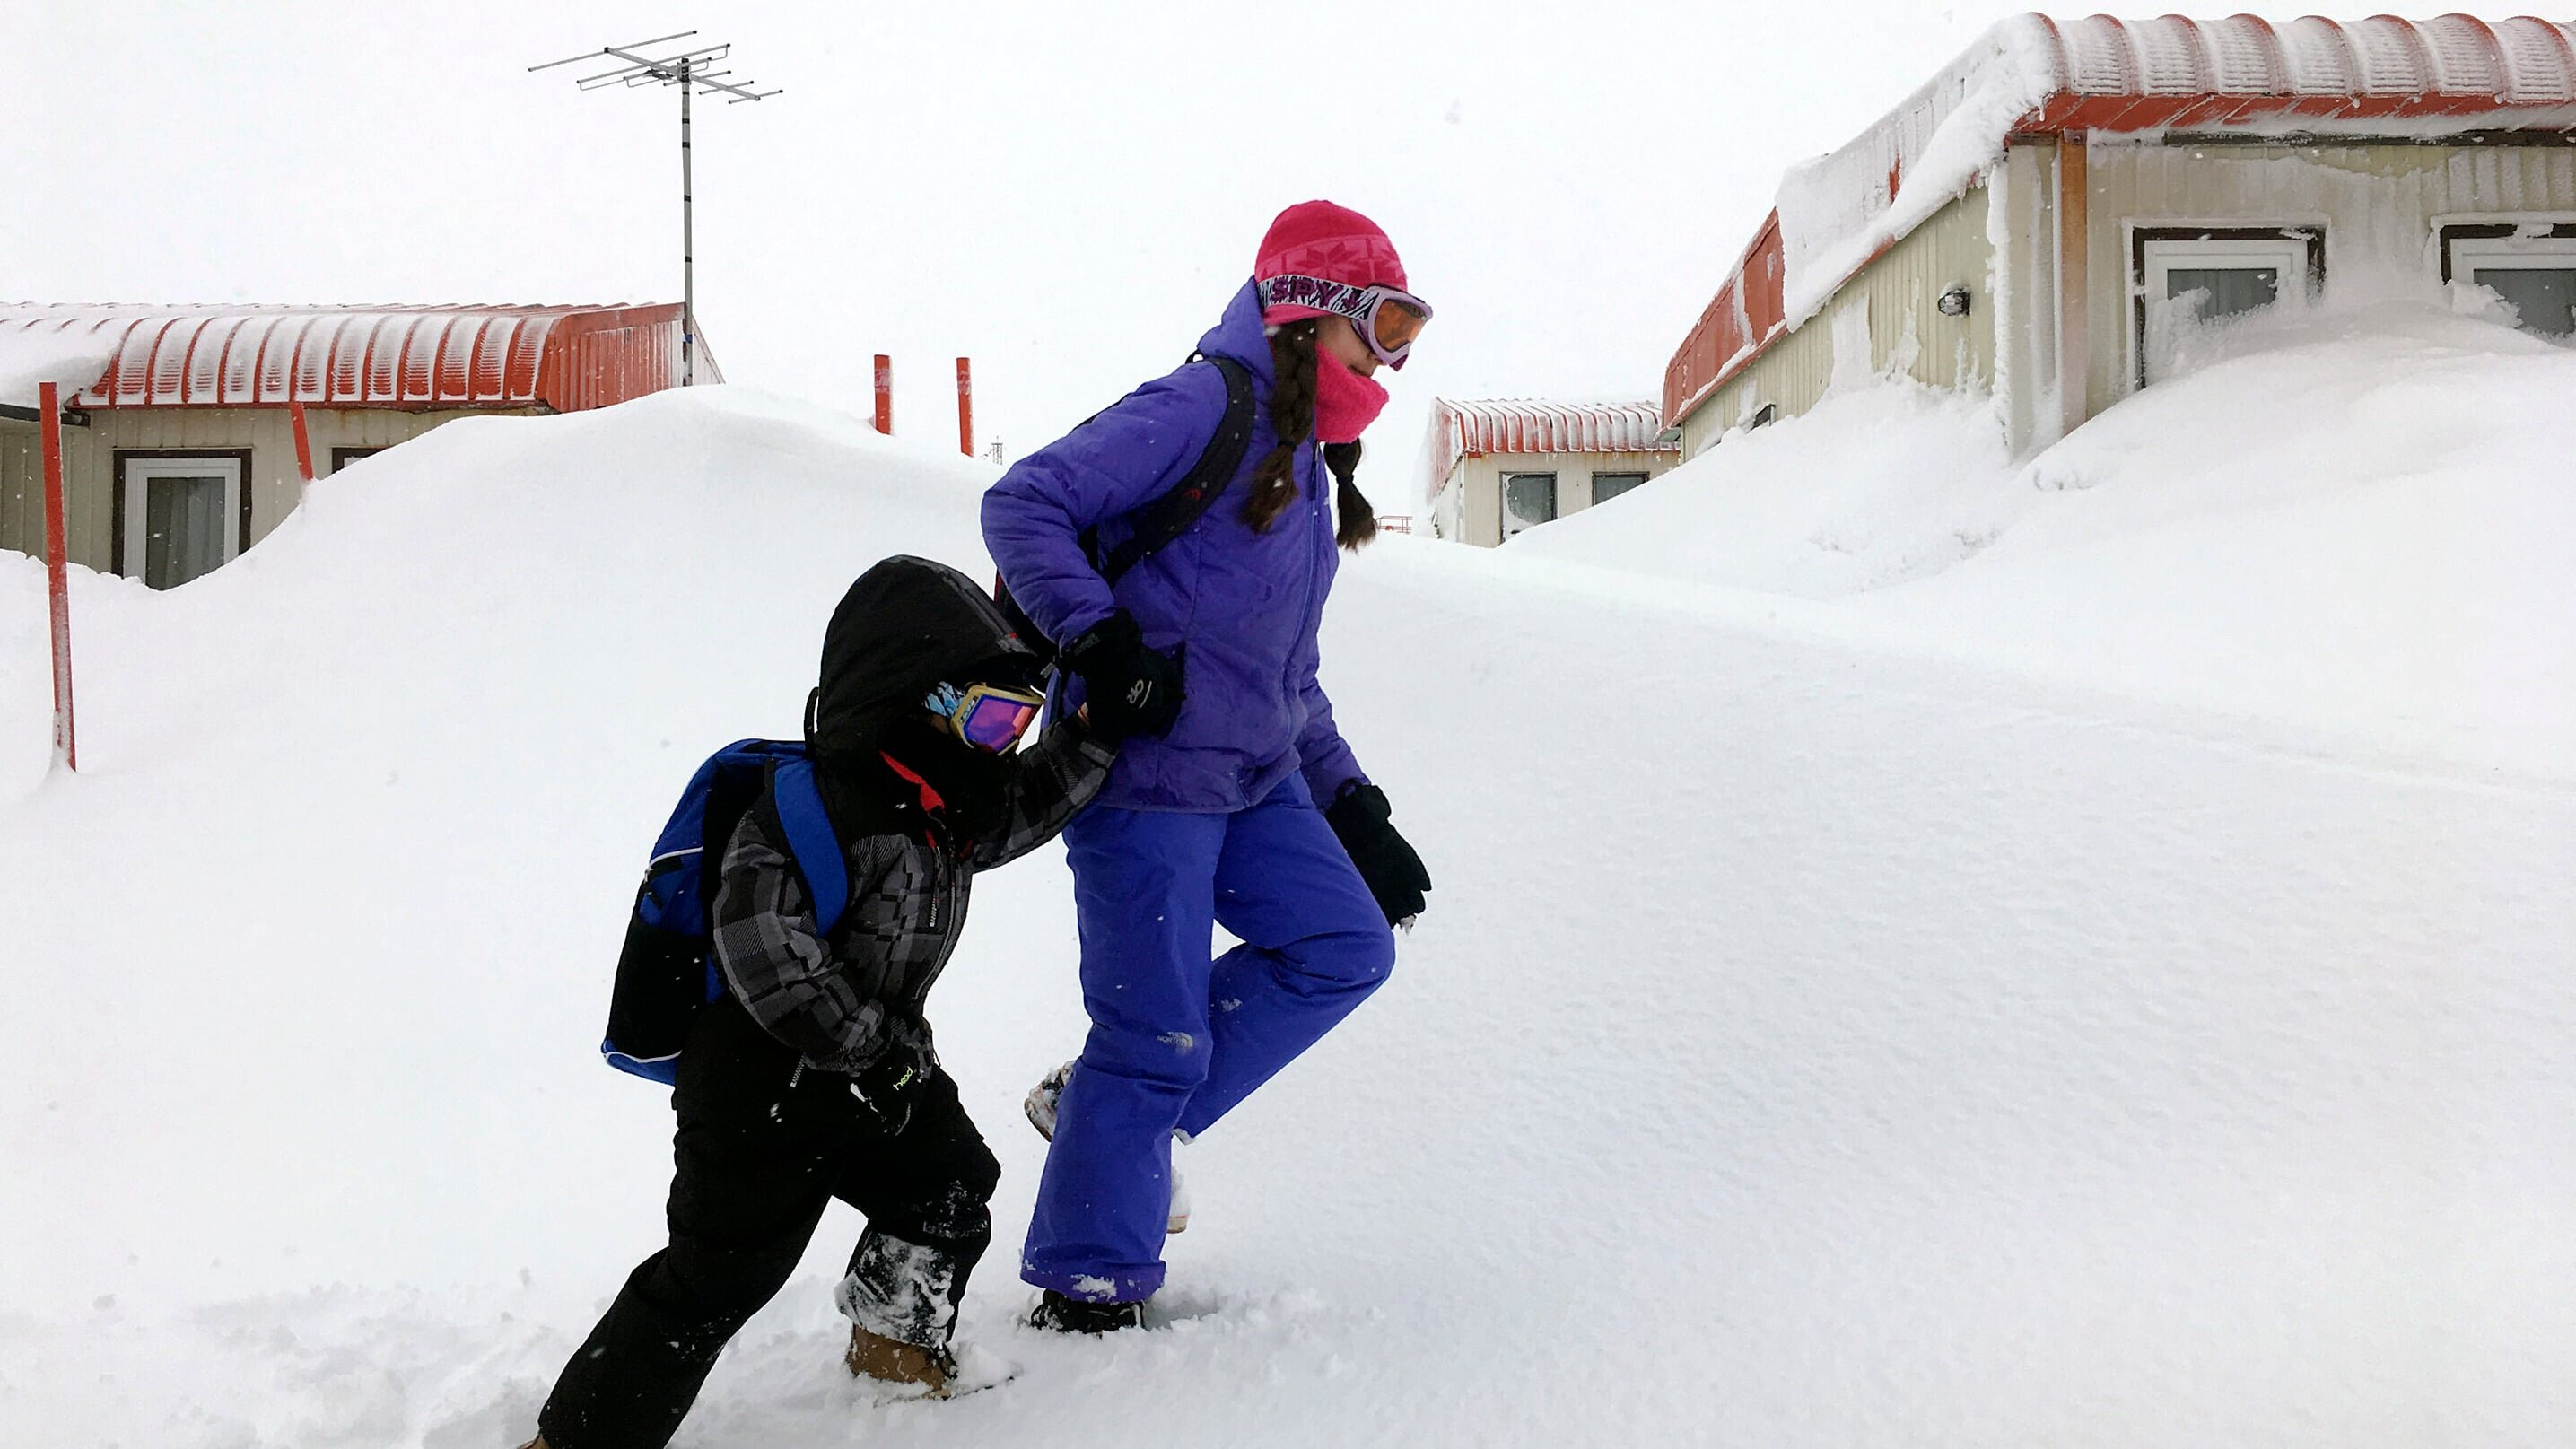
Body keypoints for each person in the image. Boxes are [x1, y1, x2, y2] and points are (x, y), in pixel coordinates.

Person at [520, 555, 1116, 1449]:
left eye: (1017, 721)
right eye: (992, 718)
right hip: (762, 1084)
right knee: (719, 1276)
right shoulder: (805, 811)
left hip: (879, 1066)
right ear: (913, 700)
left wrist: (1099, 731)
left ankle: (894, 1349)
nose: (1003, 745)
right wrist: (870, 1050)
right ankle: (579, 1438)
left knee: (950, 1187)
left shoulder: (948, 808)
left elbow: (1032, 802)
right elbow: (767, 955)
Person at [982, 199, 1436, 1332]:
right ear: (1312, 315)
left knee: (1344, 945)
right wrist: (1105, 638)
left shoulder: (1307, 465)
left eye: (1409, 331)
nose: (1395, 356)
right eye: (1383, 323)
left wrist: (1352, 798)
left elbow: (1286, 668)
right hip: (1144, 784)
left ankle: (1104, 1116)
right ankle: (1089, 1287)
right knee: (1155, 1034)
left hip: (1258, 774)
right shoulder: (1201, 406)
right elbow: (1022, 502)